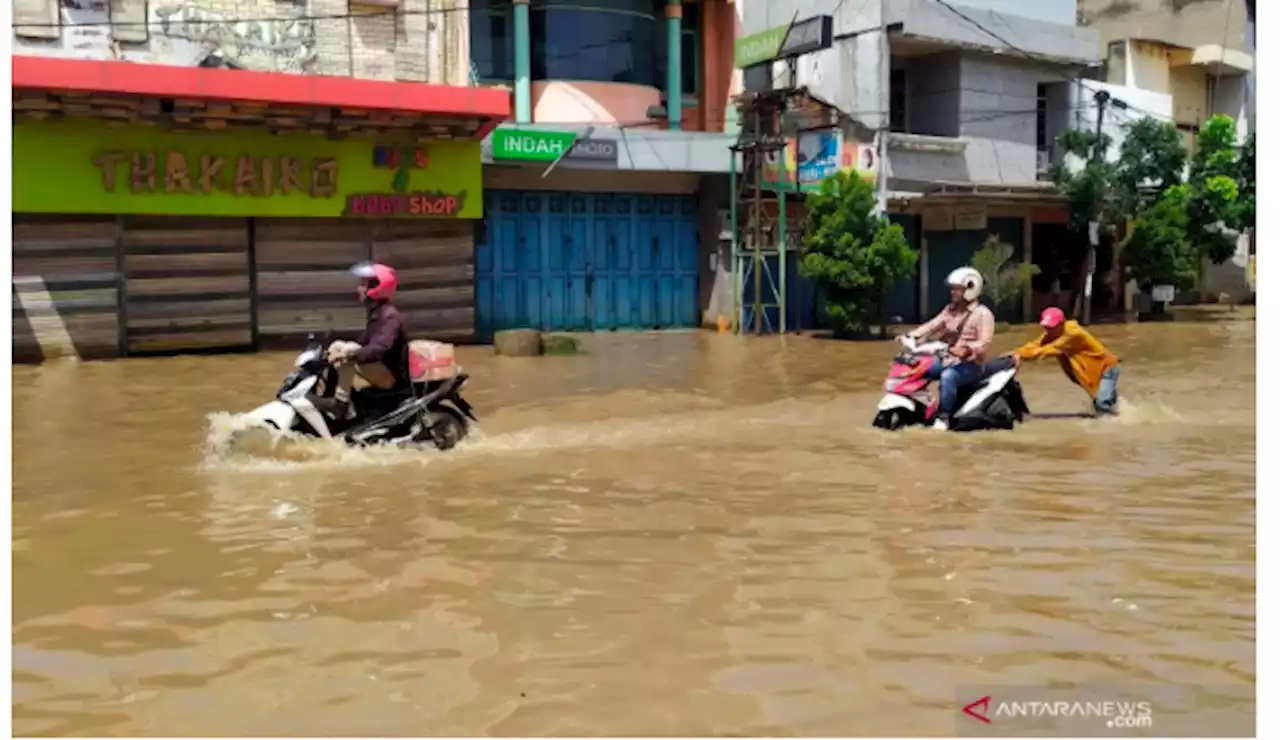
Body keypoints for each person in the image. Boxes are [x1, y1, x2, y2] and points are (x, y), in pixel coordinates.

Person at [902, 266, 996, 430]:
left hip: (971, 365)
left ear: (970, 289)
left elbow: (985, 342)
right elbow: (933, 324)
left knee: (948, 376)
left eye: (957, 289)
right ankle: (920, 407)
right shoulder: (950, 310)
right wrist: (912, 335)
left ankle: (943, 416)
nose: (952, 292)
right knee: (916, 368)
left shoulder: (983, 314)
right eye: (952, 289)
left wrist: (967, 349)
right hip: (946, 358)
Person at [318, 262, 410, 419]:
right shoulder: (377, 312)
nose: (358, 289)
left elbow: (380, 347)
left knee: (347, 354)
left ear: (376, 287)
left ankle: (341, 403)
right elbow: (363, 341)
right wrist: (332, 352)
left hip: (391, 375)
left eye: (363, 285)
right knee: (339, 345)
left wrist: (348, 355)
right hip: (380, 367)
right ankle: (330, 394)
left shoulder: (389, 316)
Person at [1006, 307, 1121, 416]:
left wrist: (1020, 355)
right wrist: (1016, 352)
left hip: (1106, 369)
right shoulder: (1054, 333)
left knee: (1102, 403)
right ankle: (1116, 418)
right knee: (1101, 403)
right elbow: (1036, 344)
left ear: (1062, 324)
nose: (1048, 330)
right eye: (1046, 327)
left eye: (1051, 327)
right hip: (1091, 371)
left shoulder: (1073, 334)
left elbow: (1046, 350)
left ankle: (1112, 426)